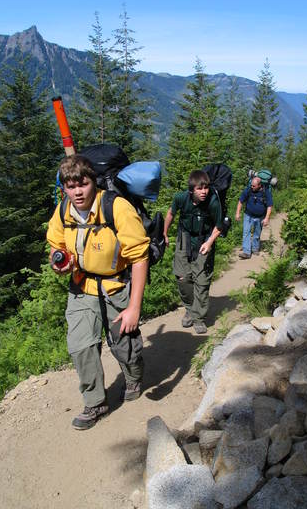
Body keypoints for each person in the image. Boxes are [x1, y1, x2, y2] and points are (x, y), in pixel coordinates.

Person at [47, 155, 149, 430]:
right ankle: (95, 403)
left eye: (82, 184)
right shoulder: (63, 212)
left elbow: (139, 257)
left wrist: (134, 308)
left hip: (116, 286)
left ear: (94, 182)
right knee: (81, 345)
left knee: (125, 346)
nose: (77, 192)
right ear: (64, 188)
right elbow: (56, 245)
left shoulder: (116, 208)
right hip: (81, 286)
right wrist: (60, 260)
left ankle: (134, 376)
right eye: (70, 186)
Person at [163, 170, 223, 334]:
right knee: (182, 278)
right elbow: (171, 213)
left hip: (205, 239)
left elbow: (219, 226)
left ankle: (198, 317)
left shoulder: (213, 202)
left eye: (206, 188)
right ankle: (190, 309)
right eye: (200, 188)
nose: (204, 192)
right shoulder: (181, 198)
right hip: (185, 238)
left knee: (202, 281)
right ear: (191, 190)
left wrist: (210, 242)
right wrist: (165, 233)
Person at [235, 176, 273, 259]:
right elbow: (240, 201)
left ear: (259, 185)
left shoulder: (266, 192)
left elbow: (269, 206)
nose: (252, 187)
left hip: (260, 217)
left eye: (254, 186)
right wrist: (237, 213)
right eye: (251, 185)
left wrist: (266, 218)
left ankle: (255, 248)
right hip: (248, 215)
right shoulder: (248, 190)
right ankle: (246, 252)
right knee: (246, 233)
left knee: (256, 234)